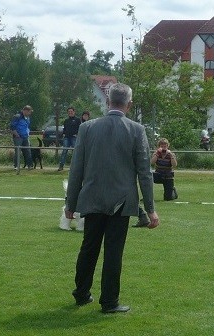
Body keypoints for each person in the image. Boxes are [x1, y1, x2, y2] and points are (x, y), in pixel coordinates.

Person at [65, 83, 160, 314]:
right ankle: (109, 302)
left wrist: (71, 203)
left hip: (92, 198)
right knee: (113, 252)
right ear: (129, 104)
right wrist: (150, 209)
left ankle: (81, 293)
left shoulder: (87, 128)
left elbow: (76, 168)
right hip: (121, 201)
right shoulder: (137, 130)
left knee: (89, 248)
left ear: (108, 102)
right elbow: (144, 173)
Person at [10, 105, 34, 170]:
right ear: (25, 111)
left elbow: (27, 127)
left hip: (25, 137)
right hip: (18, 137)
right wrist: (17, 134)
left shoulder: (28, 118)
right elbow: (12, 127)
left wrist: (28, 133)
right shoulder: (17, 117)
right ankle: (16, 166)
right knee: (18, 151)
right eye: (29, 112)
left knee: (27, 151)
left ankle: (29, 165)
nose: (30, 114)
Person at [58, 107, 82, 171]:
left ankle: (76, 167)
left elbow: (80, 129)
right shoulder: (66, 120)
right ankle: (61, 166)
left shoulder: (77, 120)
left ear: (74, 112)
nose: (70, 113)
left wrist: (77, 134)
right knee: (64, 151)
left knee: (75, 152)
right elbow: (64, 129)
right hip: (66, 138)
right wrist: (63, 134)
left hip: (74, 138)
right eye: (69, 112)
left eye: (71, 111)